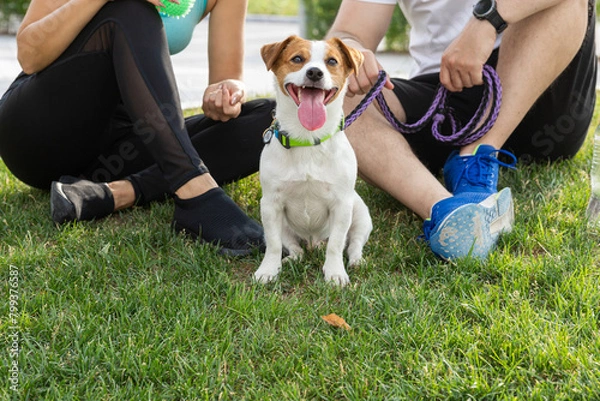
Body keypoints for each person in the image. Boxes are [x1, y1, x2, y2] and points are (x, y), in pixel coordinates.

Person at [0, 0, 276, 256]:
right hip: (41, 130)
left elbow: (227, 77)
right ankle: (195, 191)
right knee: (132, 8)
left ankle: (114, 194)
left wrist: (226, 93)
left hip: (113, 153)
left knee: (271, 119)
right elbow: (29, 55)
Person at [327, 0, 596, 259]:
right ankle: (448, 210)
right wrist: (351, 50)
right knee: (337, 91)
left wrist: (488, 19)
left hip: (542, 88)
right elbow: (349, 32)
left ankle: (477, 153)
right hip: (443, 95)